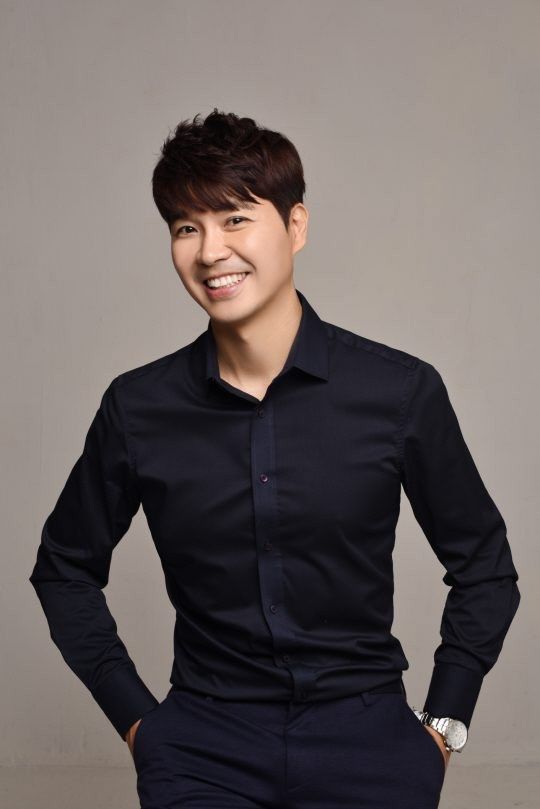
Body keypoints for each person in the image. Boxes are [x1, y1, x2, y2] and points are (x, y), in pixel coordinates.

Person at [29, 108, 521, 809]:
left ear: (295, 226)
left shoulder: (398, 391)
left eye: (235, 218)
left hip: (370, 746)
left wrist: (442, 725)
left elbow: (485, 569)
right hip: (202, 751)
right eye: (186, 227)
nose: (210, 251)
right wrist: (140, 724)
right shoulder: (138, 407)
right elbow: (64, 568)